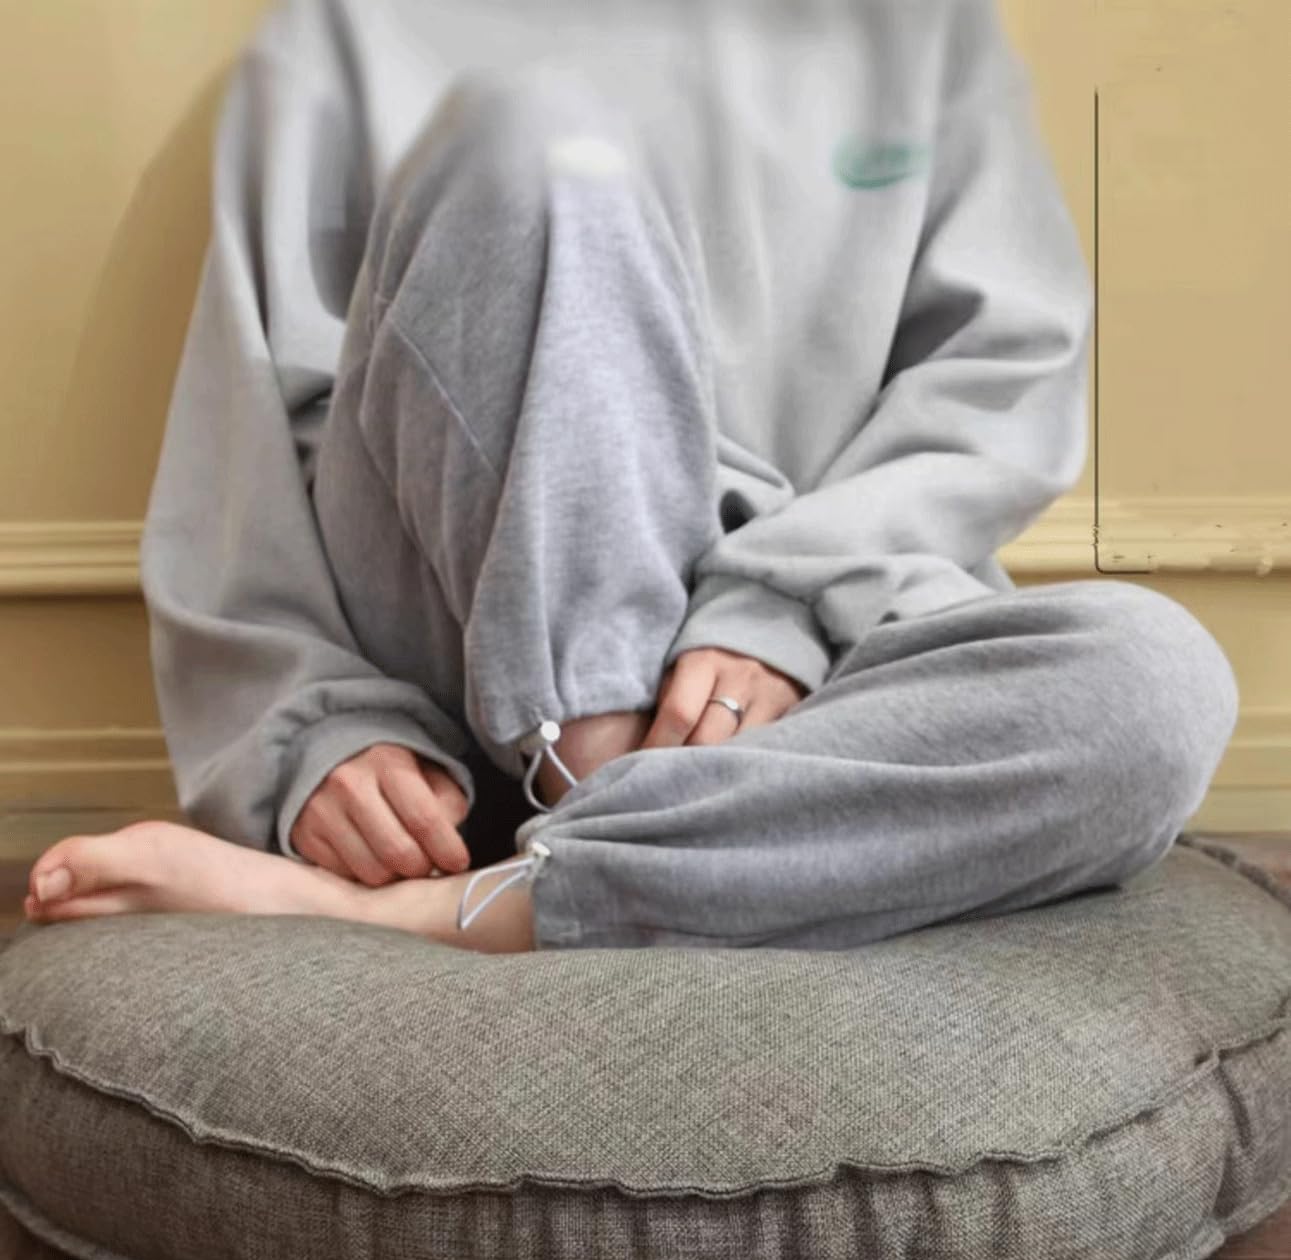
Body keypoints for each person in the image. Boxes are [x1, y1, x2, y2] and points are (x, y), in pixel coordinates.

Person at [23, 0, 1238, 953]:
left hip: (803, 683)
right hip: (461, 682)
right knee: (536, 133)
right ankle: (616, 786)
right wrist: (321, 733)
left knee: (1154, 685)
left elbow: (996, 384)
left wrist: (778, 607)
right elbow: (255, 437)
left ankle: (458, 907)